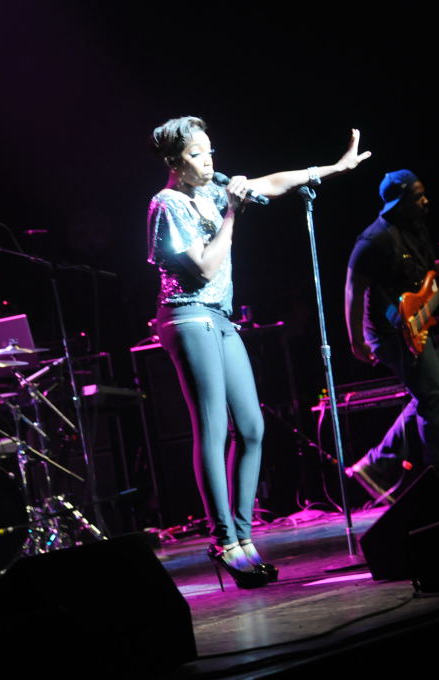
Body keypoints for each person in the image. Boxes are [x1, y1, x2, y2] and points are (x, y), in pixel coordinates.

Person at [146, 115, 370, 588]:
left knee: (252, 426)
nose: (208, 161)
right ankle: (224, 539)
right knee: (213, 427)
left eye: (210, 151)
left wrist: (332, 169)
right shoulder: (168, 205)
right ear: (174, 162)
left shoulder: (213, 188)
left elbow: (271, 182)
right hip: (187, 317)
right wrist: (231, 213)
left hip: (220, 317)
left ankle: (244, 535)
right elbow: (204, 269)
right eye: (196, 154)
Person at [344, 170, 439, 503]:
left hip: (415, 323)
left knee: (428, 397)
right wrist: (356, 340)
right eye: (418, 197)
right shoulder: (373, 240)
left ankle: (375, 465)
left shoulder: (415, 229)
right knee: (434, 396)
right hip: (388, 332)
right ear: (399, 203)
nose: (425, 201)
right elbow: (353, 290)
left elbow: (423, 272)